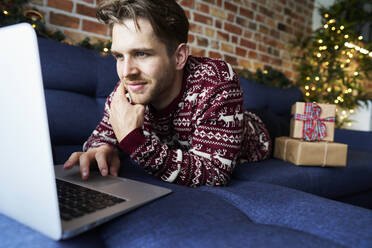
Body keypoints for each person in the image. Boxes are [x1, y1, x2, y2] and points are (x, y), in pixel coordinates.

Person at [63, 0, 271, 187]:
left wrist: (135, 142)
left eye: (141, 53)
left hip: (259, 132)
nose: (126, 72)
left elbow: (214, 172)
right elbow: (100, 136)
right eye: (119, 56)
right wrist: (100, 150)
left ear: (179, 56)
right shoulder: (127, 92)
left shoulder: (216, 80)